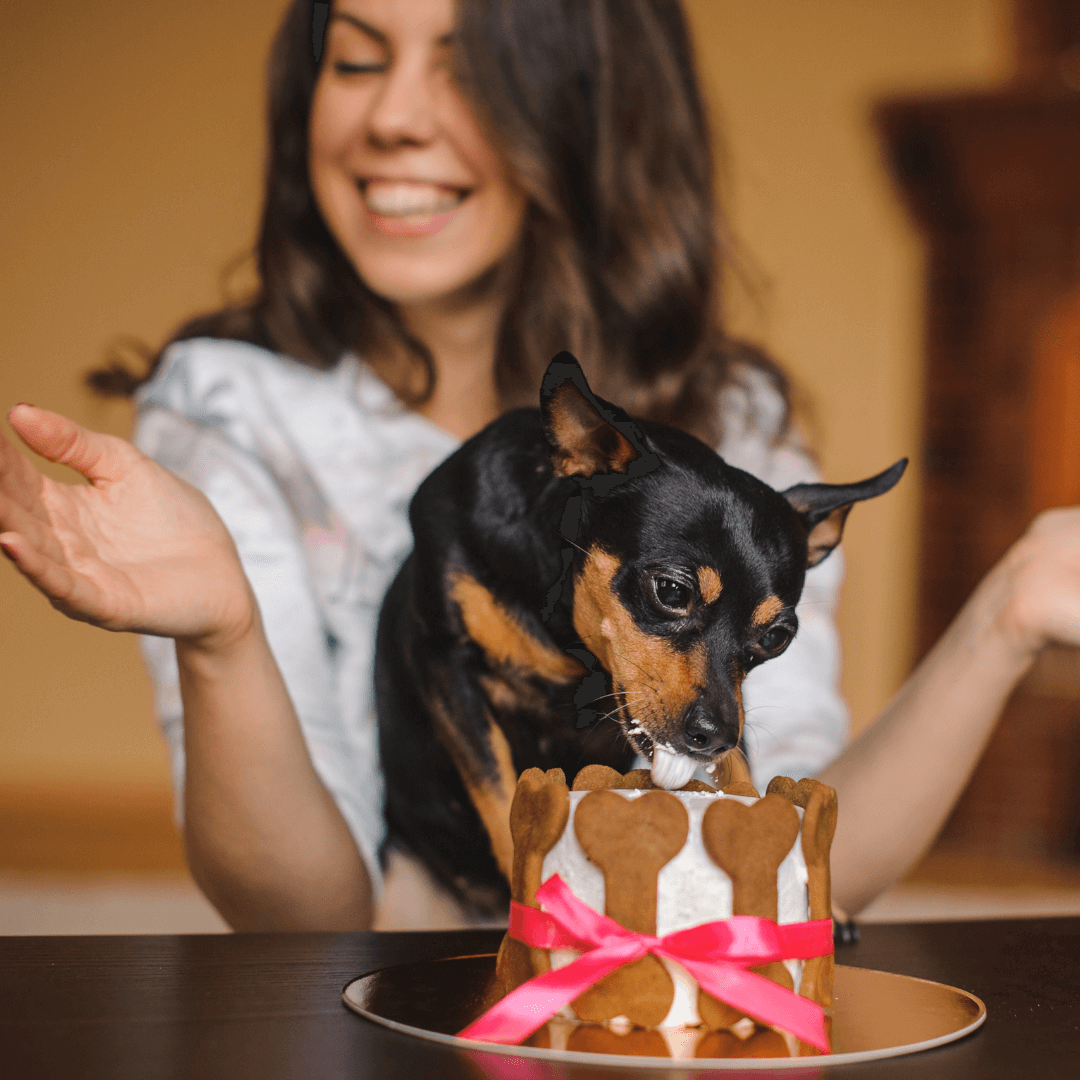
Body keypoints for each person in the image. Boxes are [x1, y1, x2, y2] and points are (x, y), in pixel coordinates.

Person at [2, 0, 1079, 933]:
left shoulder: (731, 423)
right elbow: (306, 922)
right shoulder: (230, 409)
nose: (394, 117)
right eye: (359, 59)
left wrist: (1008, 617)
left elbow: (791, 851)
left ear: (588, 107)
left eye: (472, 69)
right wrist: (225, 636)